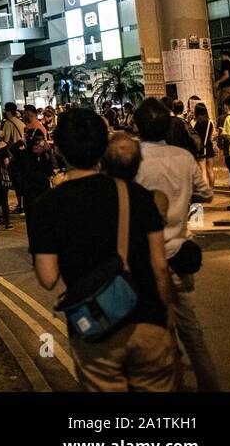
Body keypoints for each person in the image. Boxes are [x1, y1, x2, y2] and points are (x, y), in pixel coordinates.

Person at [27, 108, 176, 392]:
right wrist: (166, 317)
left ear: (59, 150)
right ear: (102, 148)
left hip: (96, 327)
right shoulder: (137, 195)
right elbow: (159, 265)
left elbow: (48, 278)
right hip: (148, 320)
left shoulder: (45, 207)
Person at [132, 99, 218, 391]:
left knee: (151, 333)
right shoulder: (183, 157)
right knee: (191, 330)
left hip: (143, 261)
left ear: (136, 126)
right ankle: (209, 385)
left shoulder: (133, 160)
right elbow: (206, 194)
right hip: (179, 255)